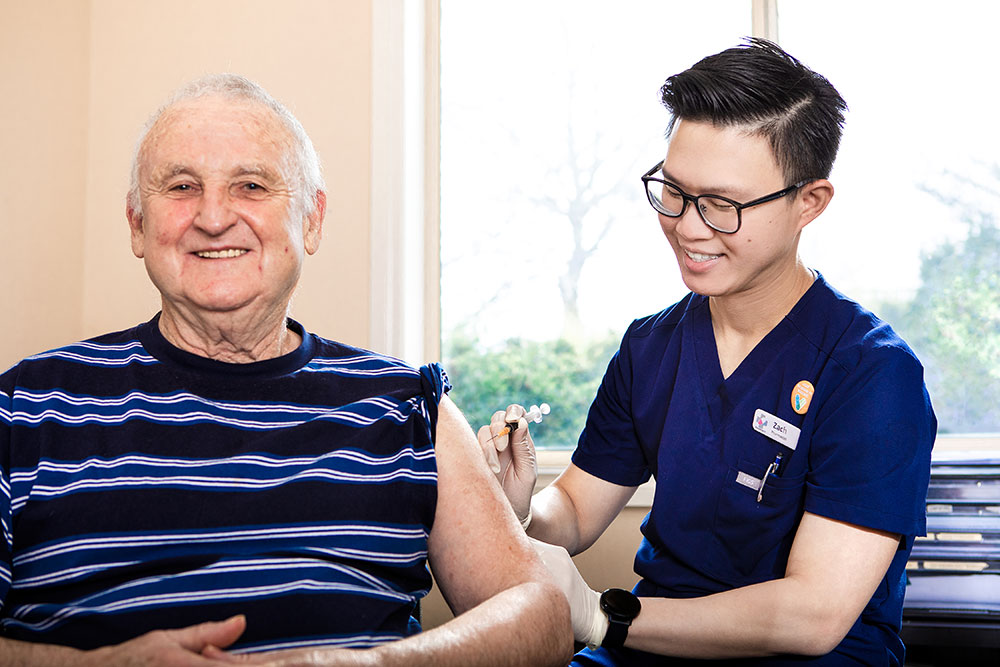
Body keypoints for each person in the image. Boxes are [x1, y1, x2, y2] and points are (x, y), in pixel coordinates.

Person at [0, 73, 572, 666]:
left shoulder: (406, 406)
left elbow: (543, 615)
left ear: (312, 219)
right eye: (181, 186)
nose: (214, 216)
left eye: (251, 185)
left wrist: (367, 665)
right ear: (136, 224)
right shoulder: (22, 405)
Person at [478, 38, 935, 665]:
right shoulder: (652, 346)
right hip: (645, 646)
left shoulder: (872, 373)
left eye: (722, 205)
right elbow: (579, 510)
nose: (689, 226)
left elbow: (813, 616)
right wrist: (521, 505)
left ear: (810, 202)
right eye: (674, 191)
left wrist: (600, 614)